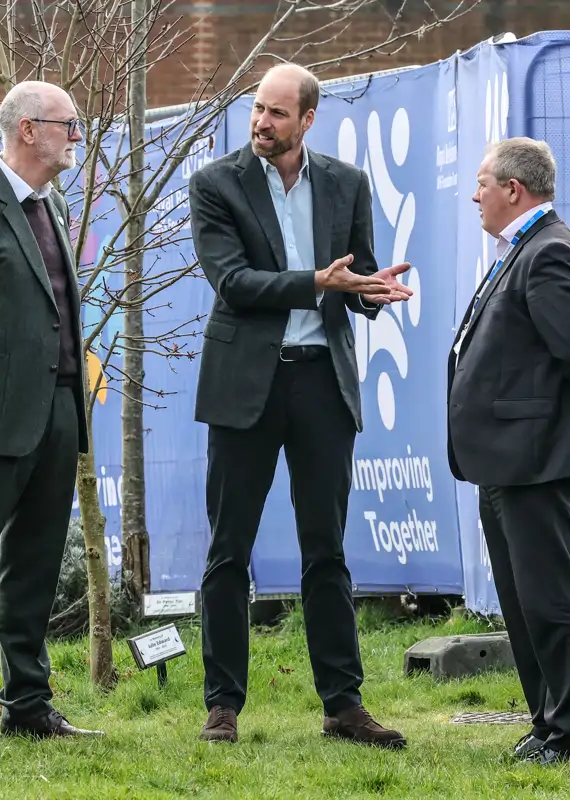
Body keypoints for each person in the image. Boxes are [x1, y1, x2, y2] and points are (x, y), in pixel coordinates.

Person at [187, 63, 412, 748]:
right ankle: (222, 706)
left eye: (278, 114)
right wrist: (318, 280)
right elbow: (234, 282)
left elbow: (354, 278)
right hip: (245, 384)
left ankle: (343, 705)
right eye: (258, 109)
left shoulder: (347, 183)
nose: (263, 123)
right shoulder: (215, 184)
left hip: (322, 382)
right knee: (228, 551)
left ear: (308, 120)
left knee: (327, 550)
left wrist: (369, 292)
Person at [0, 81, 102, 740]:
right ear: (27, 129)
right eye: (68, 124)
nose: (76, 138)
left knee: (32, 566)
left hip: (59, 411)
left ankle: (28, 707)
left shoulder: (51, 204)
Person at [448, 137, 570, 765]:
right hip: (508, 458)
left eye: (483, 182)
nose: (475, 195)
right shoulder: (521, 248)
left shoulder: (548, 253)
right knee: (521, 601)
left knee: (548, 596)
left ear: (513, 189)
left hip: (538, 457)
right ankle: (548, 722)